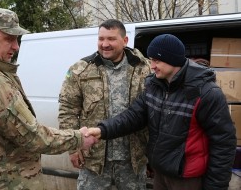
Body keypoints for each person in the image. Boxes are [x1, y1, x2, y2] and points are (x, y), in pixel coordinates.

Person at [0, 7, 97, 190]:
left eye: (16, 39)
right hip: (7, 182)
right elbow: (34, 137)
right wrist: (78, 138)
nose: (16, 46)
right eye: (8, 39)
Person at [86, 34, 237, 190]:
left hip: (188, 180)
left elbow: (224, 144)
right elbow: (133, 116)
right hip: (161, 175)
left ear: (173, 60)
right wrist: (101, 130)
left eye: (156, 61)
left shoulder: (205, 93)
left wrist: (216, 186)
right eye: (151, 60)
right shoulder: (154, 85)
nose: (152, 66)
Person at [58, 19, 151, 190]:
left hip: (132, 160)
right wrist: (72, 147)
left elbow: (153, 109)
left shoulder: (143, 68)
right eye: (101, 39)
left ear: (125, 41)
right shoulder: (81, 69)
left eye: (111, 39)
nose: (105, 44)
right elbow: (68, 110)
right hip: (94, 160)